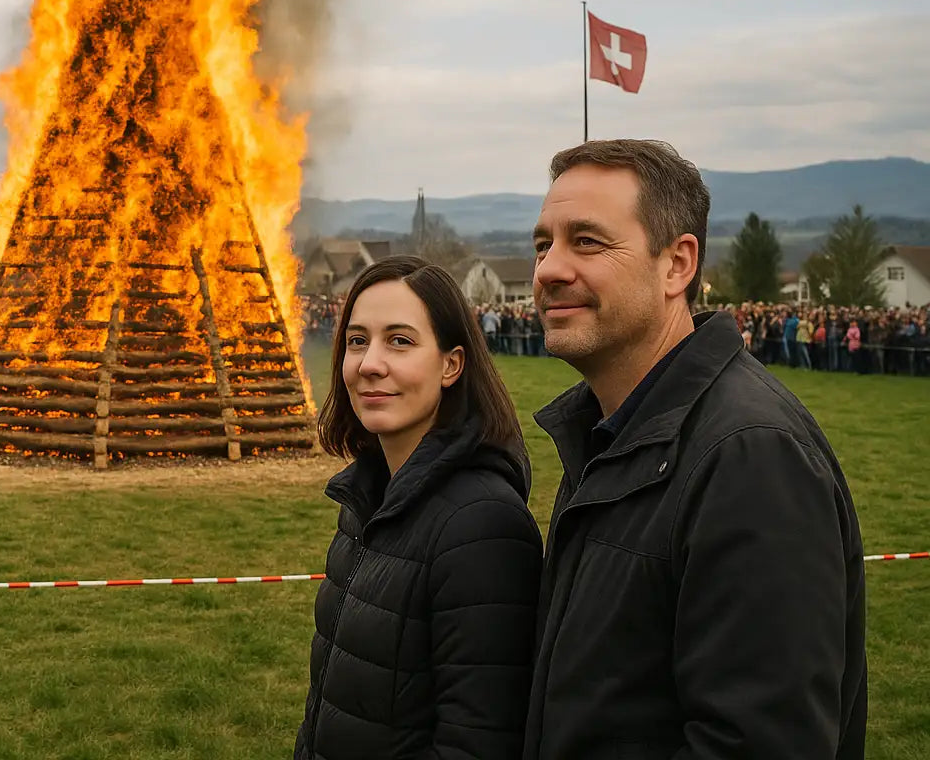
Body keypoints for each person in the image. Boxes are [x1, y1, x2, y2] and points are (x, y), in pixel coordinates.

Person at [525, 140, 865, 760]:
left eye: (587, 242)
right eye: (543, 243)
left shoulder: (752, 456)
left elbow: (758, 741)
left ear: (677, 265)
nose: (548, 269)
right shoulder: (610, 431)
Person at [296, 255, 542, 760]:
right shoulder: (366, 502)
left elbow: (478, 741)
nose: (370, 363)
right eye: (357, 340)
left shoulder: (481, 525)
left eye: (400, 341)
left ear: (451, 364)